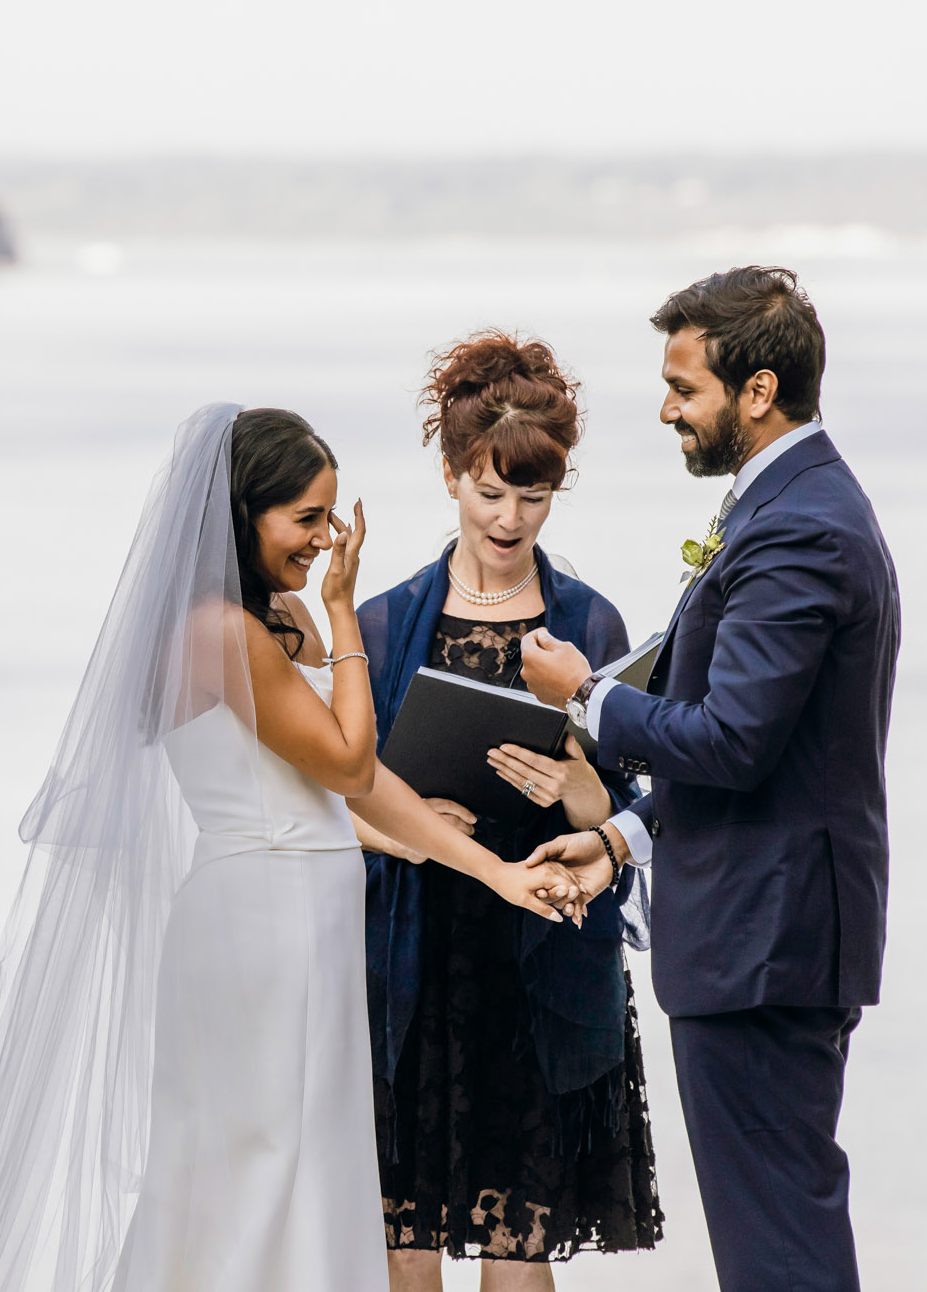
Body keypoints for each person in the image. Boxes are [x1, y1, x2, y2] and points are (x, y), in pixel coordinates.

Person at [0, 404, 582, 1292]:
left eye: (329, 517)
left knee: (299, 1160)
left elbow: (356, 795)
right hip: (265, 922)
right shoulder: (221, 630)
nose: (326, 539)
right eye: (306, 519)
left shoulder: (263, 617)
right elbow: (349, 761)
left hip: (300, 917)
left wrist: (498, 873)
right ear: (243, 513)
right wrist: (344, 622)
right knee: (258, 1163)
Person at [520, 268, 900, 1292]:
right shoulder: (787, 507)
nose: (665, 408)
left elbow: (732, 739)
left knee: (775, 1240)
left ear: (758, 391)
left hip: (763, 943)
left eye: (682, 387)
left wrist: (586, 695)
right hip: (761, 932)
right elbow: (769, 756)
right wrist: (621, 841)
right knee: (767, 1229)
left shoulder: (800, 527)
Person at [354, 332, 663, 1292]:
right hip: (414, 959)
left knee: (518, 1250)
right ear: (450, 475)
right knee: (401, 1247)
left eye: (533, 496)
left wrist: (576, 786)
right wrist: (419, 822)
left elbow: (629, 806)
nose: (510, 517)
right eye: (491, 492)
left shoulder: (592, 624)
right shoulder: (381, 622)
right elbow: (338, 800)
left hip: (540, 959)